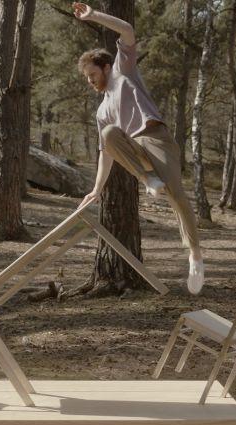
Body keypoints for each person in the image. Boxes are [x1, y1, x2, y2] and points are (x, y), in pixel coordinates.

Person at [72, 2, 205, 294]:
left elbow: (128, 30)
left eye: (92, 74)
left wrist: (93, 16)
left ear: (106, 66)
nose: (90, 80)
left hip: (156, 138)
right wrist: (96, 189)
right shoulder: (101, 111)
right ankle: (148, 180)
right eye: (87, 78)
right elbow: (106, 152)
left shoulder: (123, 70)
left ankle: (194, 255)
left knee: (177, 195)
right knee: (108, 134)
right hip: (134, 149)